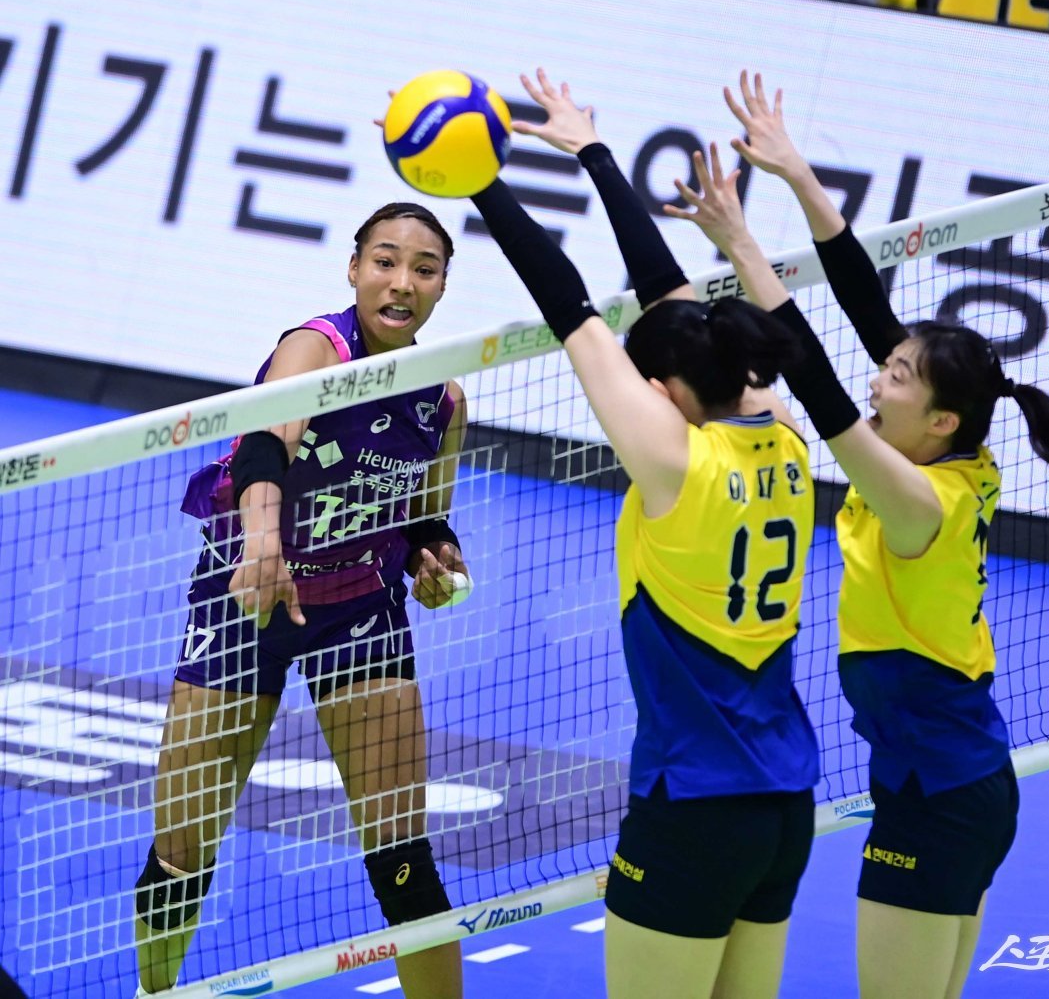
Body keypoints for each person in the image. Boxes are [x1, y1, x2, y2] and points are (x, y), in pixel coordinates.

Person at [664, 71, 1049, 999]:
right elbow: (863, 307)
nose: (878, 377)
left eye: (895, 375)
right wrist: (789, 184)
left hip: (936, 800)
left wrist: (744, 248)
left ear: (938, 418)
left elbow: (814, 377)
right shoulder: (956, 450)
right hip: (957, 783)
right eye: (889, 366)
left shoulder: (916, 502)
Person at [470, 69, 821, 999]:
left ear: (663, 394)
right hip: (786, 801)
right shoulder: (783, 434)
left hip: (691, 806)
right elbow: (668, 297)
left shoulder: (675, 463)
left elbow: (569, 304)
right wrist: (591, 150)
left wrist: (478, 178)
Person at [131, 202, 468, 997]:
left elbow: (426, 516)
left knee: (404, 857)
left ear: (441, 287)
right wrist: (262, 543)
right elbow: (262, 445)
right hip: (245, 601)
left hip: (358, 609)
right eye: (385, 261)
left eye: (423, 269)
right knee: (182, 851)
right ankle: (153, 994)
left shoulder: (444, 400)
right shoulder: (313, 349)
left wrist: (435, 557)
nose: (402, 282)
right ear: (354, 270)